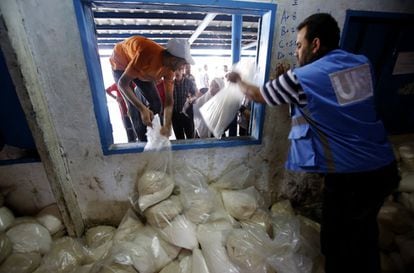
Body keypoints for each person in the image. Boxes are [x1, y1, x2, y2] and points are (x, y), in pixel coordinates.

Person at [227, 13, 400, 273]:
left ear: (315, 44)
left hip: (350, 178)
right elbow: (328, 102)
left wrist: (238, 80)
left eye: (298, 45)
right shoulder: (361, 64)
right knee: (364, 238)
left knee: (338, 246)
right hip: (382, 168)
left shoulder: (301, 77)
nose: (296, 52)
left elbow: (258, 95)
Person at [109, 36, 195, 137]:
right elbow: (122, 84)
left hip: (139, 68)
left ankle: (152, 133)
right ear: (174, 59)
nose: (183, 67)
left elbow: (169, 100)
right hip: (120, 63)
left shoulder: (170, 70)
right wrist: (142, 108)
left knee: (156, 104)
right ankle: (143, 139)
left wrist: (167, 124)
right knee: (134, 107)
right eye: (183, 64)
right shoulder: (147, 54)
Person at [172, 68, 197, 139]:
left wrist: (191, 99)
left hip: (187, 114)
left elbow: (195, 94)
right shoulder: (170, 83)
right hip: (175, 115)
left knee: (190, 136)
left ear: (183, 71)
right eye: (175, 70)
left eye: (179, 70)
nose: (177, 72)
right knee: (179, 138)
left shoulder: (189, 82)